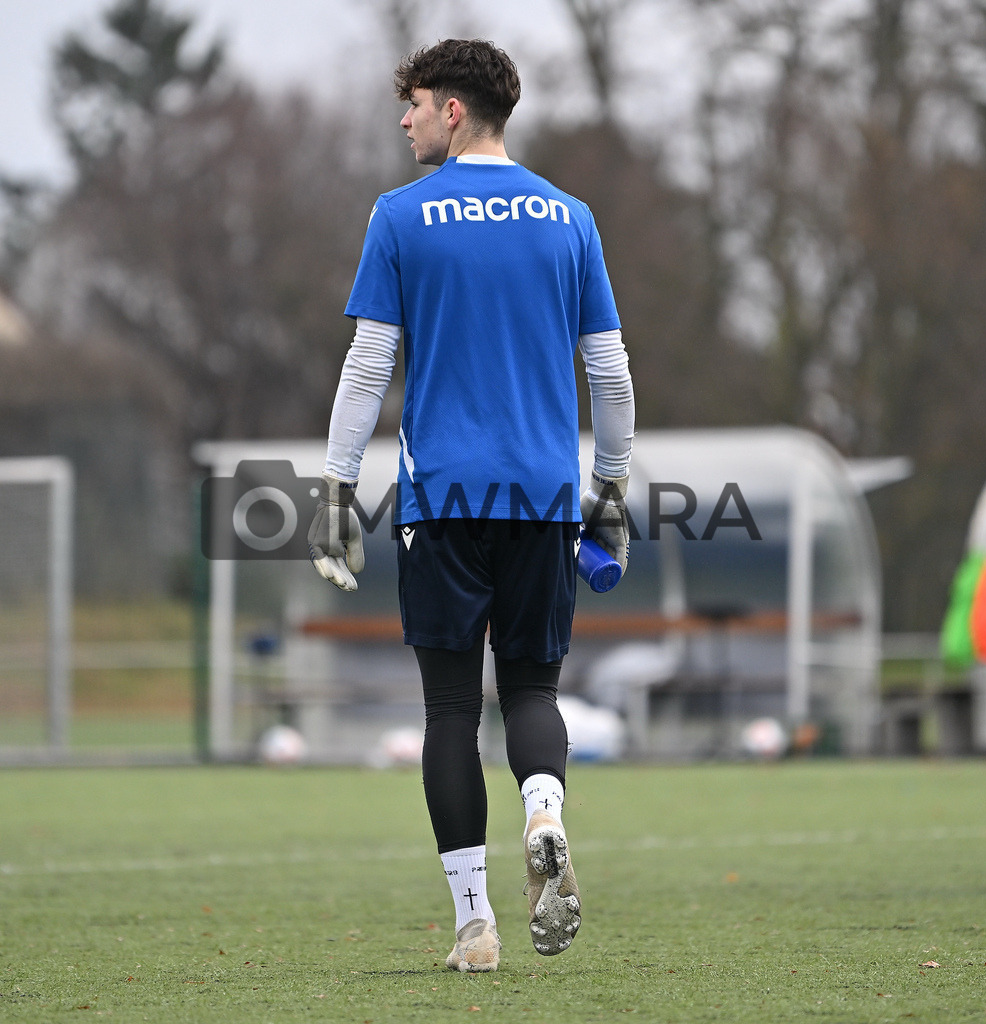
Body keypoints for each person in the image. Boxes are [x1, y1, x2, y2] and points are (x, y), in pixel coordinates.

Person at [308, 38, 634, 973]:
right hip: (542, 497)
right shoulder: (570, 219)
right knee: (531, 689)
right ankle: (544, 811)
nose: (403, 120)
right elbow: (607, 372)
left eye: (411, 104)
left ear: (452, 110)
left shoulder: (402, 216)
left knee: (451, 710)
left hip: (441, 499)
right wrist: (609, 487)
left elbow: (370, 362)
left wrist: (335, 486)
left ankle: (474, 927)